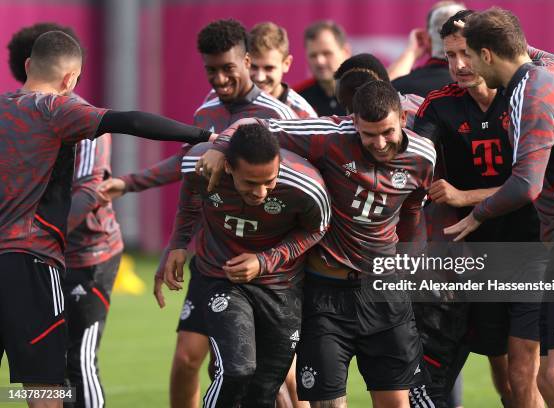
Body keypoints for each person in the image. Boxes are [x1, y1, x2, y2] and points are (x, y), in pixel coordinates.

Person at [0, 30, 210, 408]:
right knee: (46, 389)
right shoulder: (58, 110)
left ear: (28, 65)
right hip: (30, 262)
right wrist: (204, 135)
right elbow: (130, 121)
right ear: (70, 80)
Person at [97, 18, 297, 408]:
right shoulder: (206, 111)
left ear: (248, 60)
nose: (220, 78)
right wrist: (132, 185)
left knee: (268, 375)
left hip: (262, 264)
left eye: (228, 68)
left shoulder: (278, 116)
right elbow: (188, 167)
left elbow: (296, 189)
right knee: (189, 358)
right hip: (212, 258)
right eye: (211, 69)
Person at [199, 80, 434, 408]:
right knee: (326, 403)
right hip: (327, 295)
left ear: (403, 121)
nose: (379, 143)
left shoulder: (424, 156)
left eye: (388, 133)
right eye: (368, 134)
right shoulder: (327, 136)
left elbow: (411, 211)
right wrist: (221, 145)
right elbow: (256, 126)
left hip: (383, 291)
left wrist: (412, 266)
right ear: (354, 123)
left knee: (395, 402)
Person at [446, 7, 554, 408]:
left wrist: (476, 214)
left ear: (488, 54)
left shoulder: (529, 94)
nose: (462, 65)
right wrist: (504, 37)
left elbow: (525, 185)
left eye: (469, 52)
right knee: (550, 379)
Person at [164, 123, 329, 407]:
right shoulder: (199, 164)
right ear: (228, 167)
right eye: (250, 183)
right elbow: (190, 195)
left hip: (280, 286)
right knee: (236, 370)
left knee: (265, 389)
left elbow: (317, 229)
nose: (261, 192)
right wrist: (179, 243)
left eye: (269, 181)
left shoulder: (307, 187)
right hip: (221, 277)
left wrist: (265, 261)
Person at [7, 22, 124, 408]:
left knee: (75, 360)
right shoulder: (46, 112)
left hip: (86, 253)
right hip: (37, 260)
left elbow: (90, 187)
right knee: (52, 376)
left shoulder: (74, 118)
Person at [391, 1, 464, 97]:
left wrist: (411, 53)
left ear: (427, 40)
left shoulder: (397, 88)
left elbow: (379, 90)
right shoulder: (477, 89)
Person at [249, 22, 317, 119]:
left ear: (286, 64)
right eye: (253, 67)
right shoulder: (229, 104)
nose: (260, 77)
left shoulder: (303, 115)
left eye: (269, 68)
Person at [293, 20, 351, 116]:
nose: (319, 61)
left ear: (346, 51)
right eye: (313, 55)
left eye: (327, 53)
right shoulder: (297, 99)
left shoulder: (364, 93)